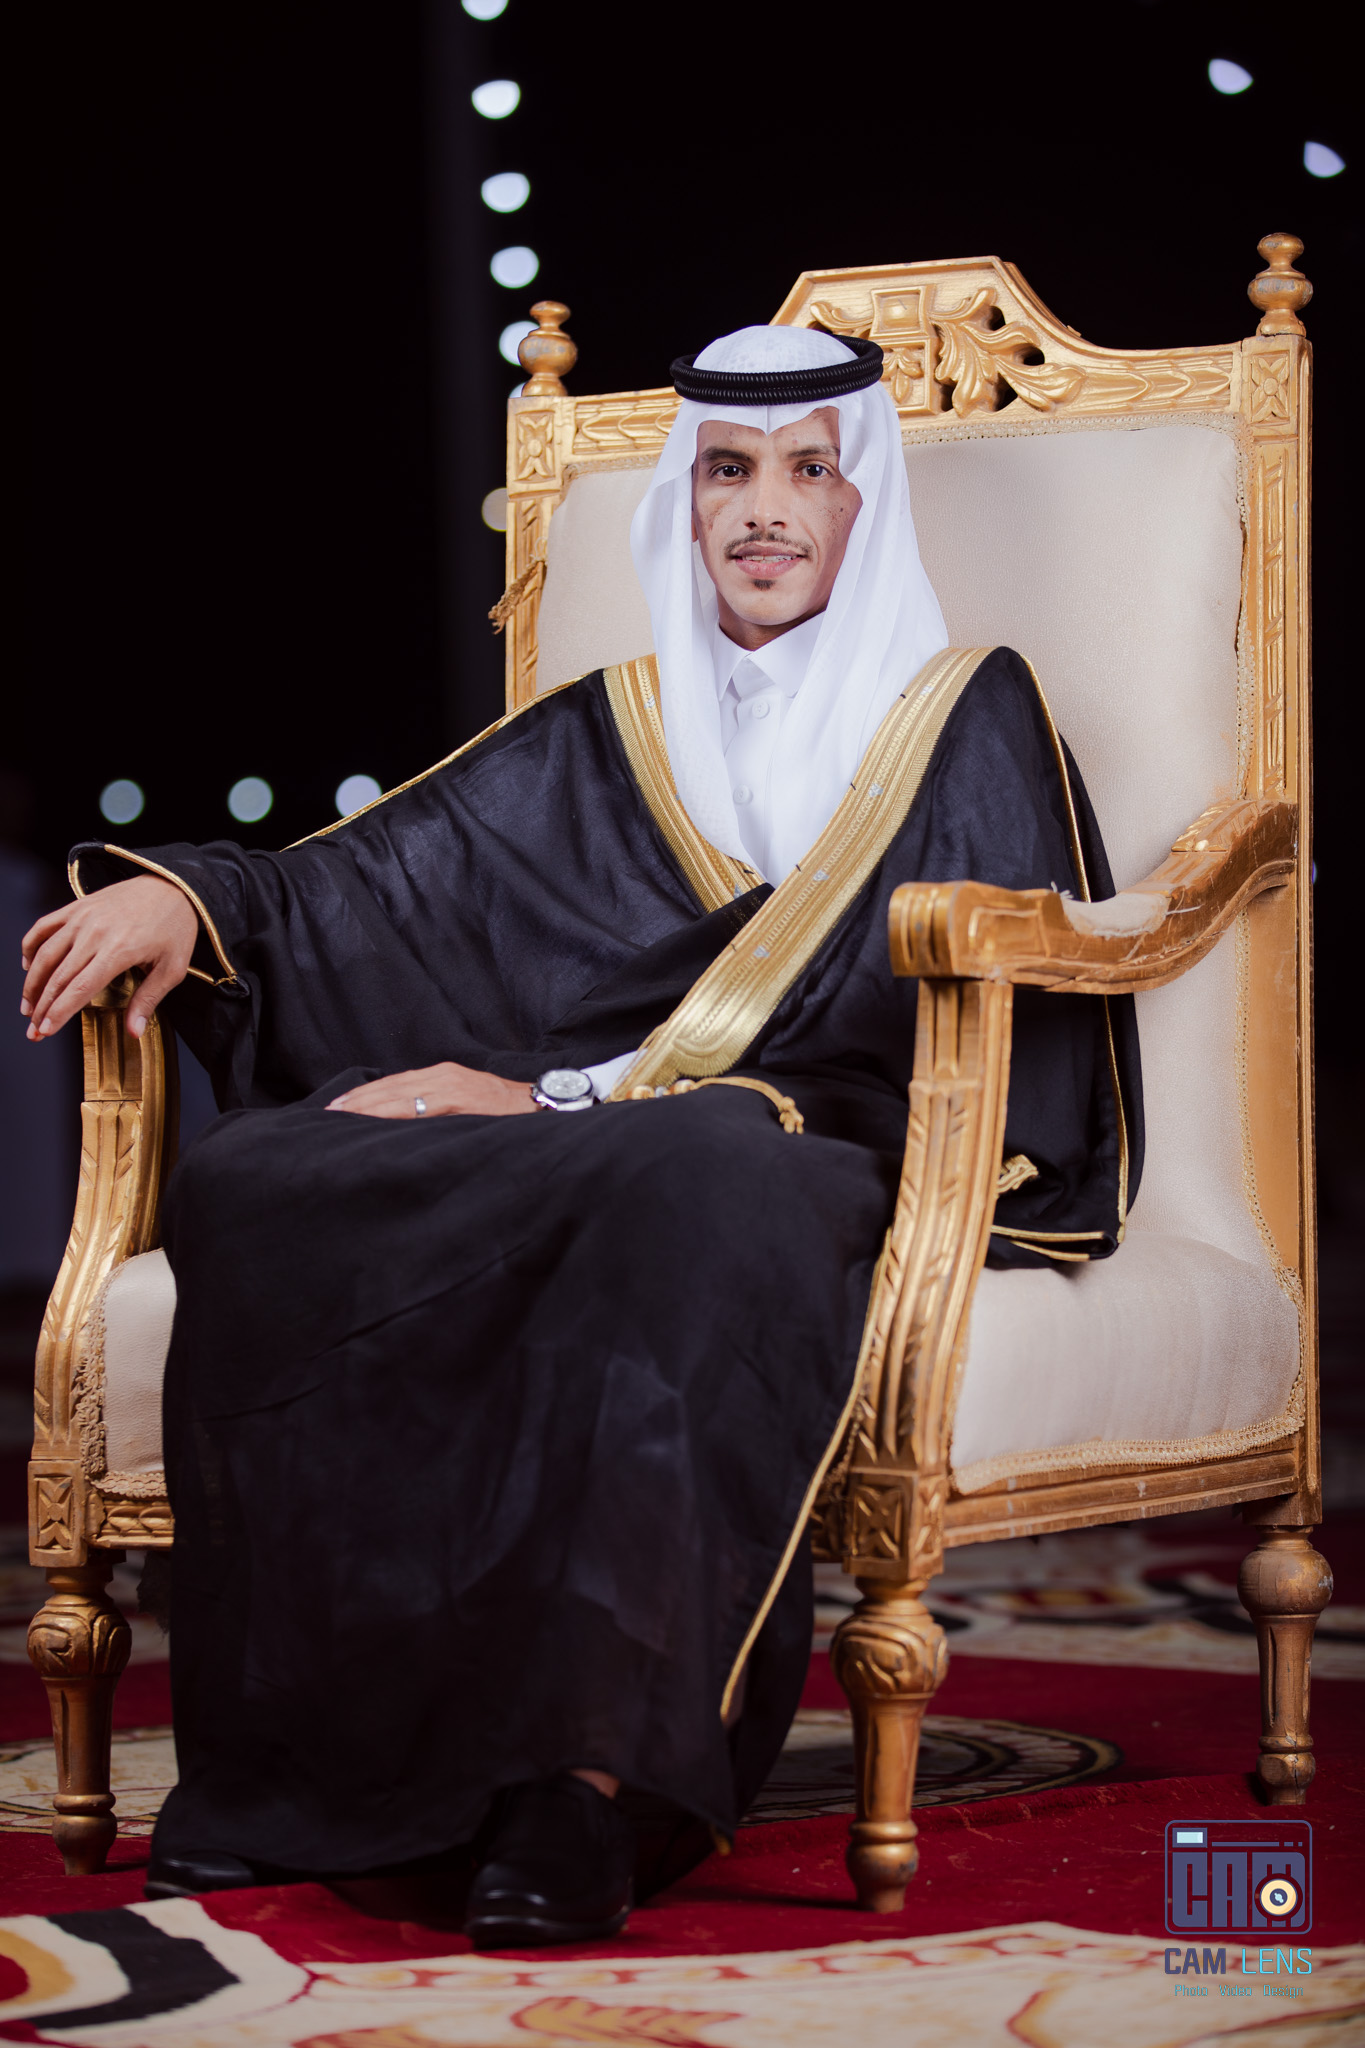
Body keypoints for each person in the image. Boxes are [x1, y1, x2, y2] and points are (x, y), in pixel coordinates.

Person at [19, 325, 1141, 1946]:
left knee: (689, 1178)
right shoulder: (616, 724)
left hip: (804, 1138)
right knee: (261, 1177)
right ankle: (302, 1782)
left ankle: (587, 1794)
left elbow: (901, 1014)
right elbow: (367, 879)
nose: (764, 510)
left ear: (861, 503)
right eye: (727, 472)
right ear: (687, 503)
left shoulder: (965, 712)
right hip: (595, 1142)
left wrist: (558, 1096)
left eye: (807, 471)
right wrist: (189, 900)